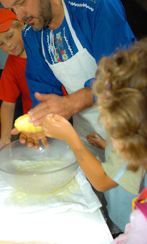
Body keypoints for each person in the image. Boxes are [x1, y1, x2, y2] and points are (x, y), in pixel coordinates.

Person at [0, 0, 136, 154]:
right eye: (12, 9)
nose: (20, 16)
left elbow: (122, 77)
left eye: (21, 2)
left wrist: (70, 103)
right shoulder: (33, 33)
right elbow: (42, 88)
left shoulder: (94, 7)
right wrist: (40, 120)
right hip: (87, 131)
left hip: (131, 123)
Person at [42, 39, 147, 236]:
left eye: (112, 129)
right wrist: (107, 146)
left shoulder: (142, 224)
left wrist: (70, 136)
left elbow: (102, 181)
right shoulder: (138, 140)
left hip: (128, 219)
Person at [0, 8, 32, 152]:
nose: (8, 45)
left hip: (63, 115)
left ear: (22, 25)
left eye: (9, 36)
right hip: (33, 123)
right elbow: (8, 103)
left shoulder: (42, 48)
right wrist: (5, 137)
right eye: (1, 44)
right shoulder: (11, 65)